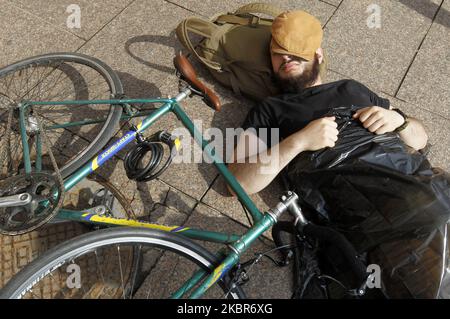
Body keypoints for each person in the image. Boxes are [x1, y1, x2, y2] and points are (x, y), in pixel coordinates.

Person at [227, 10, 428, 195]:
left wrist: (399, 120)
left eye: (295, 48)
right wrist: (298, 142)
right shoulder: (269, 109)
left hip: (414, 183)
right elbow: (236, 183)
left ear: (319, 53)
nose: (285, 57)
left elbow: (420, 141)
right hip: (355, 211)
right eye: (276, 53)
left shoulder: (351, 88)